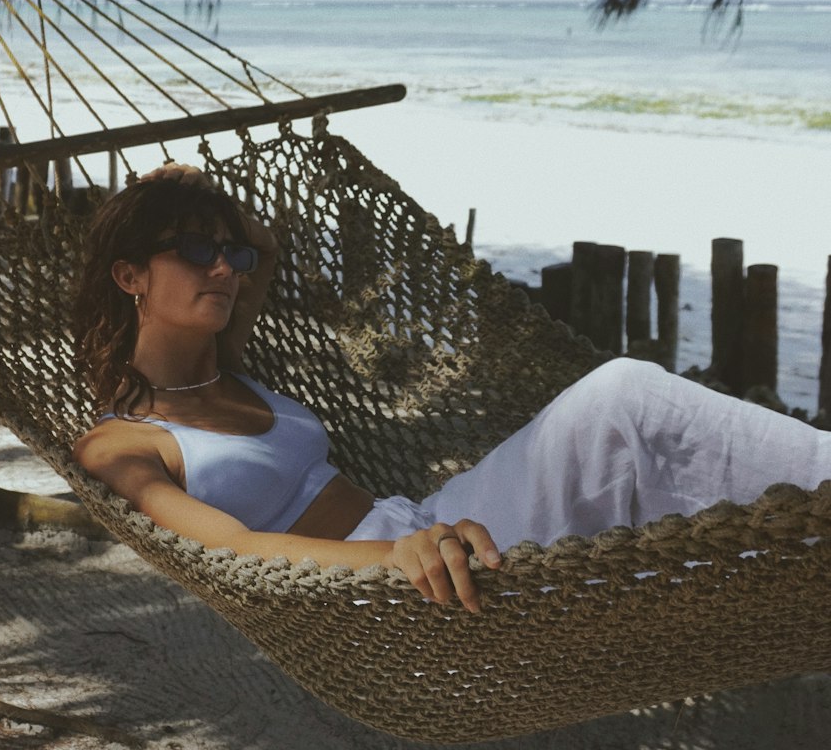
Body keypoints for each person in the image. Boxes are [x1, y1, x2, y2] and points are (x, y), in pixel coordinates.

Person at [74, 166, 831, 613]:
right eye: (198, 250)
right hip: (390, 587)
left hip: (430, 528)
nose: (224, 269)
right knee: (625, 400)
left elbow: (263, 245)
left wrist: (176, 188)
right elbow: (235, 551)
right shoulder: (120, 441)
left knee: (629, 438)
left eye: (226, 253)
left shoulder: (223, 363)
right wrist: (395, 560)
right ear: (129, 273)